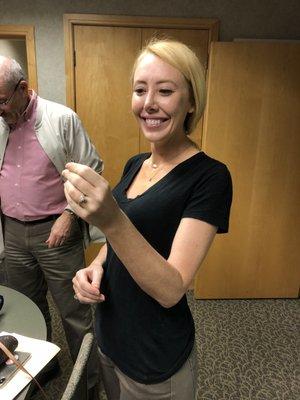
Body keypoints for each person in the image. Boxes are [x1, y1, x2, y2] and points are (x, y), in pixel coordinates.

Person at [63, 39, 232, 400]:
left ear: (191, 102)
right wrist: (96, 266)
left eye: (166, 91)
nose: (149, 103)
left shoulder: (210, 177)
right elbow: (119, 243)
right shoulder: (136, 163)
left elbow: (173, 289)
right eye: (140, 90)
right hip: (111, 334)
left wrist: (110, 219)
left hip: (155, 354)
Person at [0, 56, 102, 398]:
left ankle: (87, 387)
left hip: (56, 233)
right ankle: (42, 369)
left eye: (1, 100)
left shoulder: (61, 119)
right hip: (12, 233)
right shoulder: (0, 122)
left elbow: (93, 169)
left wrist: (71, 213)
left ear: (22, 90)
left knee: (74, 313)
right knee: (27, 308)